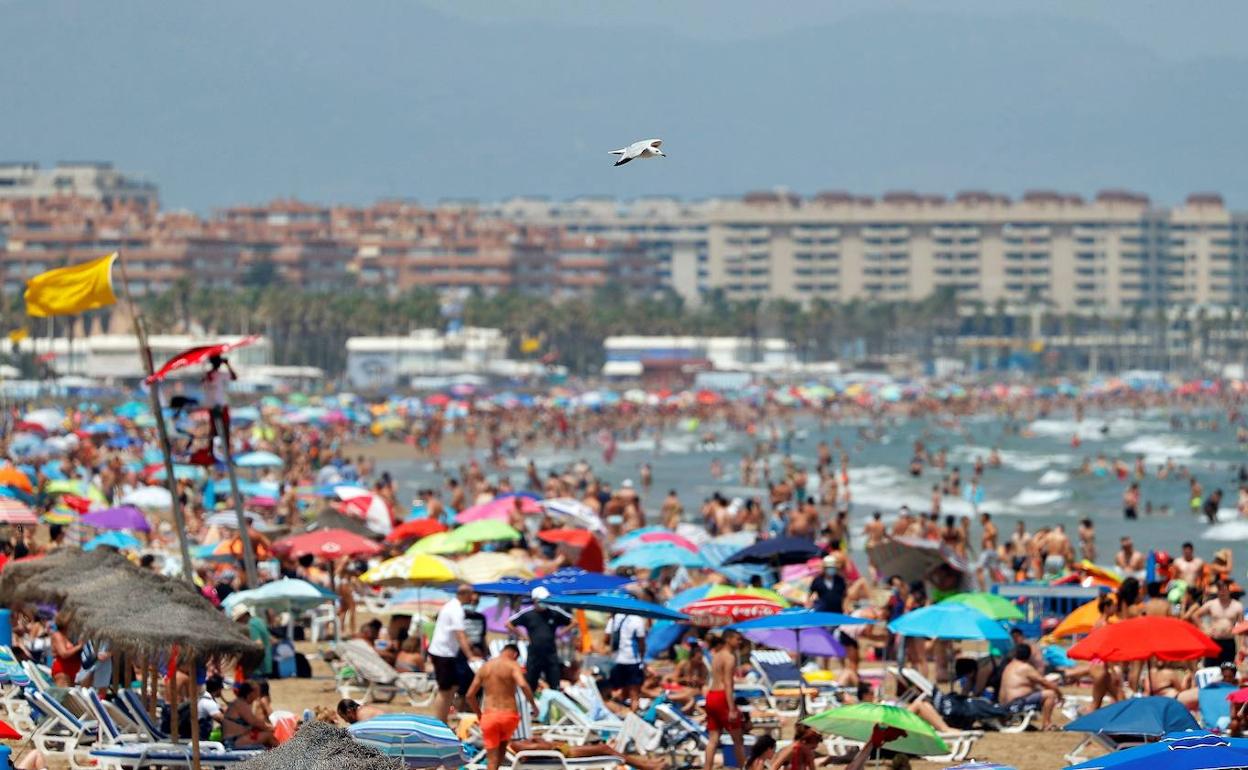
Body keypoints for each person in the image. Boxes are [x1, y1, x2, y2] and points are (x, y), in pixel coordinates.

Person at [465, 643, 538, 770]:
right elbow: (523, 685)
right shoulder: (512, 665)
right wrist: (533, 705)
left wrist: (479, 714)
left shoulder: (485, 667)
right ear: (515, 655)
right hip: (508, 716)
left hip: (490, 716)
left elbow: (469, 695)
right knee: (500, 755)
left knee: (492, 760)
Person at [428, 584, 482, 723]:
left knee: (453, 687)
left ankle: (443, 719)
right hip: (443, 653)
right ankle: (439, 722)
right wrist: (470, 656)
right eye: (472, 594)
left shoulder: (452, 606)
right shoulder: (456, 609)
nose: (474, 597)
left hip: (447, 652)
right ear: (465, 594)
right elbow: (460, 635)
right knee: (445, 690)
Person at [507, 587, 573, 693]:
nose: (544, 602)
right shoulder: (528, 614)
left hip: (550, 654)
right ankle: (530, 706)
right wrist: (522, 635)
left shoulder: (554, 612)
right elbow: (509, 623)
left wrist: (562, 632)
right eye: (542, 600)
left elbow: (573, 621)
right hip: (534, 655)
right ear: (534, 600)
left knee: (554, 684)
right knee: (530, 683)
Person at [704, 630, 746, 770]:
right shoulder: (729, 657)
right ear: (728, 639)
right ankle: (743, 767)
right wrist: (732, 708)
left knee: (713, 739)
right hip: (722, 696)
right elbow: (728, 683)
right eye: (737, 639)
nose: (740, 642)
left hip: (711, 695)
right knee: (738, 739)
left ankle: (707, 768)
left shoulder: (716, 654)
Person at [998, 644, 1062, 731]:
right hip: (1016, 703)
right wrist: (1059, 694)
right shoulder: (1025, 667)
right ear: (1029, 656)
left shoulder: (1009, 666)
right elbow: (1045, 682)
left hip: (1005, 704)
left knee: (1038, 691)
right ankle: (1046, 724)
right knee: (1050, 694)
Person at [604, 610, 647, 709]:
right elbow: (642, 643)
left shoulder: (614, 619)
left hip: (616, 660)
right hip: (632, 660)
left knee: (616, 692)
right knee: (634, 696)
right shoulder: (637, 619)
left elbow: (606, 639)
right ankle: (632, 716)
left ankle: (619, 715)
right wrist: (643, 658)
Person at [1193, 581, 1244, 665]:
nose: (1222, 592)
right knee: (1210, 666)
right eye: (1220, 590)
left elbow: (1241, 628)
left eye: (1224, 590)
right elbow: (1195, 615)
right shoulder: (1211, 604)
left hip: (1229, 641)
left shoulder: (1237, 606)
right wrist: (1204, 629)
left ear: (1229, 591)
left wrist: (1241, 646)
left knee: (1228, 667)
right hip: (1214, 640)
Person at [221, 681, 277, 748]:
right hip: (233, 741)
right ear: (251, 693)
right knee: (268, 736)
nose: (258, 695)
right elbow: (255, 722)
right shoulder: (240, 704)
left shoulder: (240, 702)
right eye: (257, 692)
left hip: (237, 738)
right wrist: (270, 727)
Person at [230, 605, 272, 678]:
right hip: (264, 663)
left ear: (243, 616)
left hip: (256, 667)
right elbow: (269, 639)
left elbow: (258, 644)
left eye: (238, 620)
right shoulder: (259, 621)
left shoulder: (251, 625)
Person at [49, 612, 83, 687]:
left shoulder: (67, 636)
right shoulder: (58, 635)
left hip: (71, 672)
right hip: (62, 671)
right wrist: (79, 647)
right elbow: (63, 653)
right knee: (62, 697)